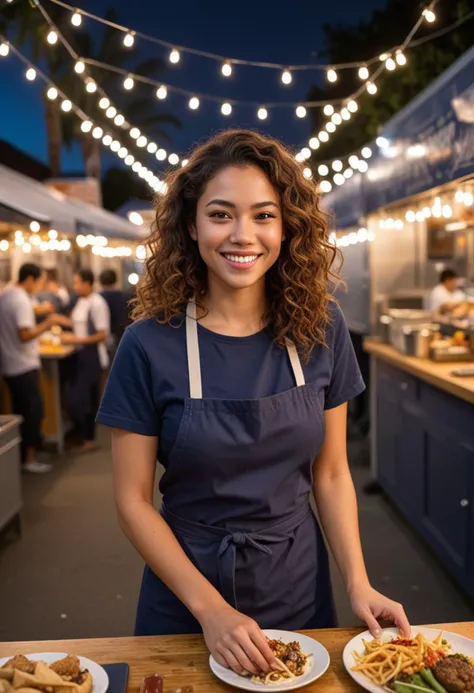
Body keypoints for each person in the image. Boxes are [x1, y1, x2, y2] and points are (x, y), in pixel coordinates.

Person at [97, 130, 410, 674]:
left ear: (287, 226)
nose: (243, 235)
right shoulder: (147, 344)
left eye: (264, 215)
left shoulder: (322, 328)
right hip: (186, 600)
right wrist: (211, 610)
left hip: (296, 585)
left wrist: (357, 582)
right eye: (221, 214)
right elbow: (133, 501)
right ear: (191, 226)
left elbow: (332, 473)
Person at [0, 263, 63, 473]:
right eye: (39, 281)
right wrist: (48, 323)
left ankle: (22, 457)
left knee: (21, 412)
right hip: (23, 364)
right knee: (32, 413)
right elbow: (24, 334)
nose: (39, 286)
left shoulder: (8, 294)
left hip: (9, 364)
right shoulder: (21, 300)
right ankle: (29, 459)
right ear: (29, 279)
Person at [58, 269, 110, 454]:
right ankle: (81, 436)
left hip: (92, 356)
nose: (75, 286)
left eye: (78, 282)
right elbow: (77, 325)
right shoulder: (81, 301)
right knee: (78, 398)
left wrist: (75, 340)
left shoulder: (97, 303)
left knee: (81, 399)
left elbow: (101, 335)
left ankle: (88, 438)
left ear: (88, 283)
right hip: (79, 355)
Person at [99, 269, 130, 354]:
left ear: (100, 281)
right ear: (116, 280)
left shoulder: (97, 298)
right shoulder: (126, 297)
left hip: (104, 337)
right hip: (123, 335)